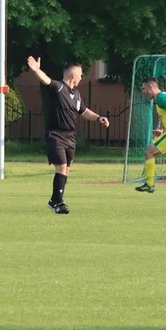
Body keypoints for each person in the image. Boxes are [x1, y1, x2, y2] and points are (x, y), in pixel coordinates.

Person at [27, 56, 109, 214]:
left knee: (66, 171)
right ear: (73, 75)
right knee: (61, 167)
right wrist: (37, 70)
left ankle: (53, 200)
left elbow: (84, 111)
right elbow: (46, 80)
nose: (82, 77)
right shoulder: (58, 87)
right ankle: (59, 204)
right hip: (55, 134)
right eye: (81, 74)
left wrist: (99, 118)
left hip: (70, 137)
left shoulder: (76, 94)